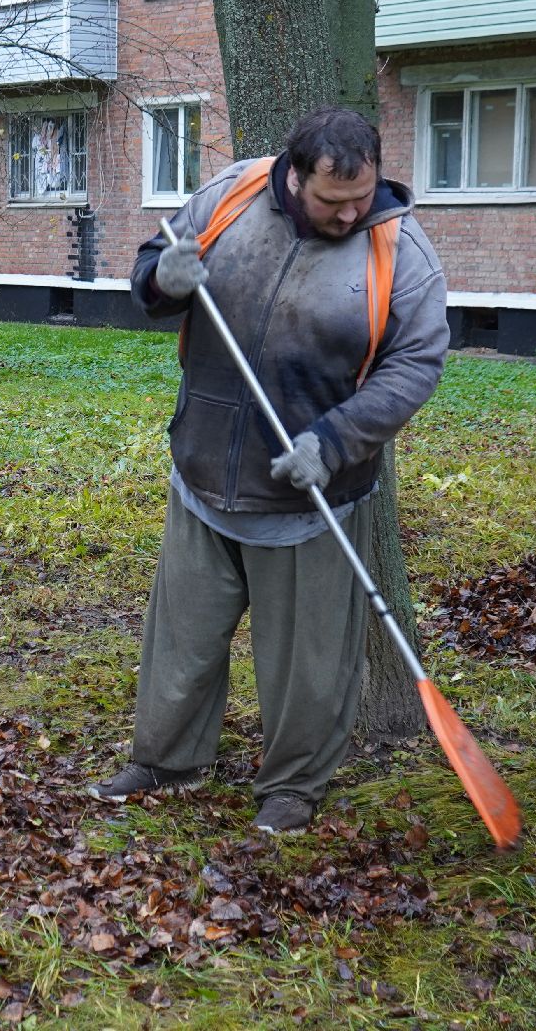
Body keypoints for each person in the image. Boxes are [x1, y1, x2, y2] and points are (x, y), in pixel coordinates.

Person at [88, 107, 450, 835]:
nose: (350, 214)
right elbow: (149, 270)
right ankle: (166, 759)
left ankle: (292, 785)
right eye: (331, 200)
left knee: (307, 664)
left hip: (308, 493)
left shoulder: (399, 253)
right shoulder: (229, 197)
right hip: (203, 472)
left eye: (362, 197)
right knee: (181, 639)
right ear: (295, 173)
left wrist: (336, 440)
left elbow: (416, 365)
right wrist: (164, 279)